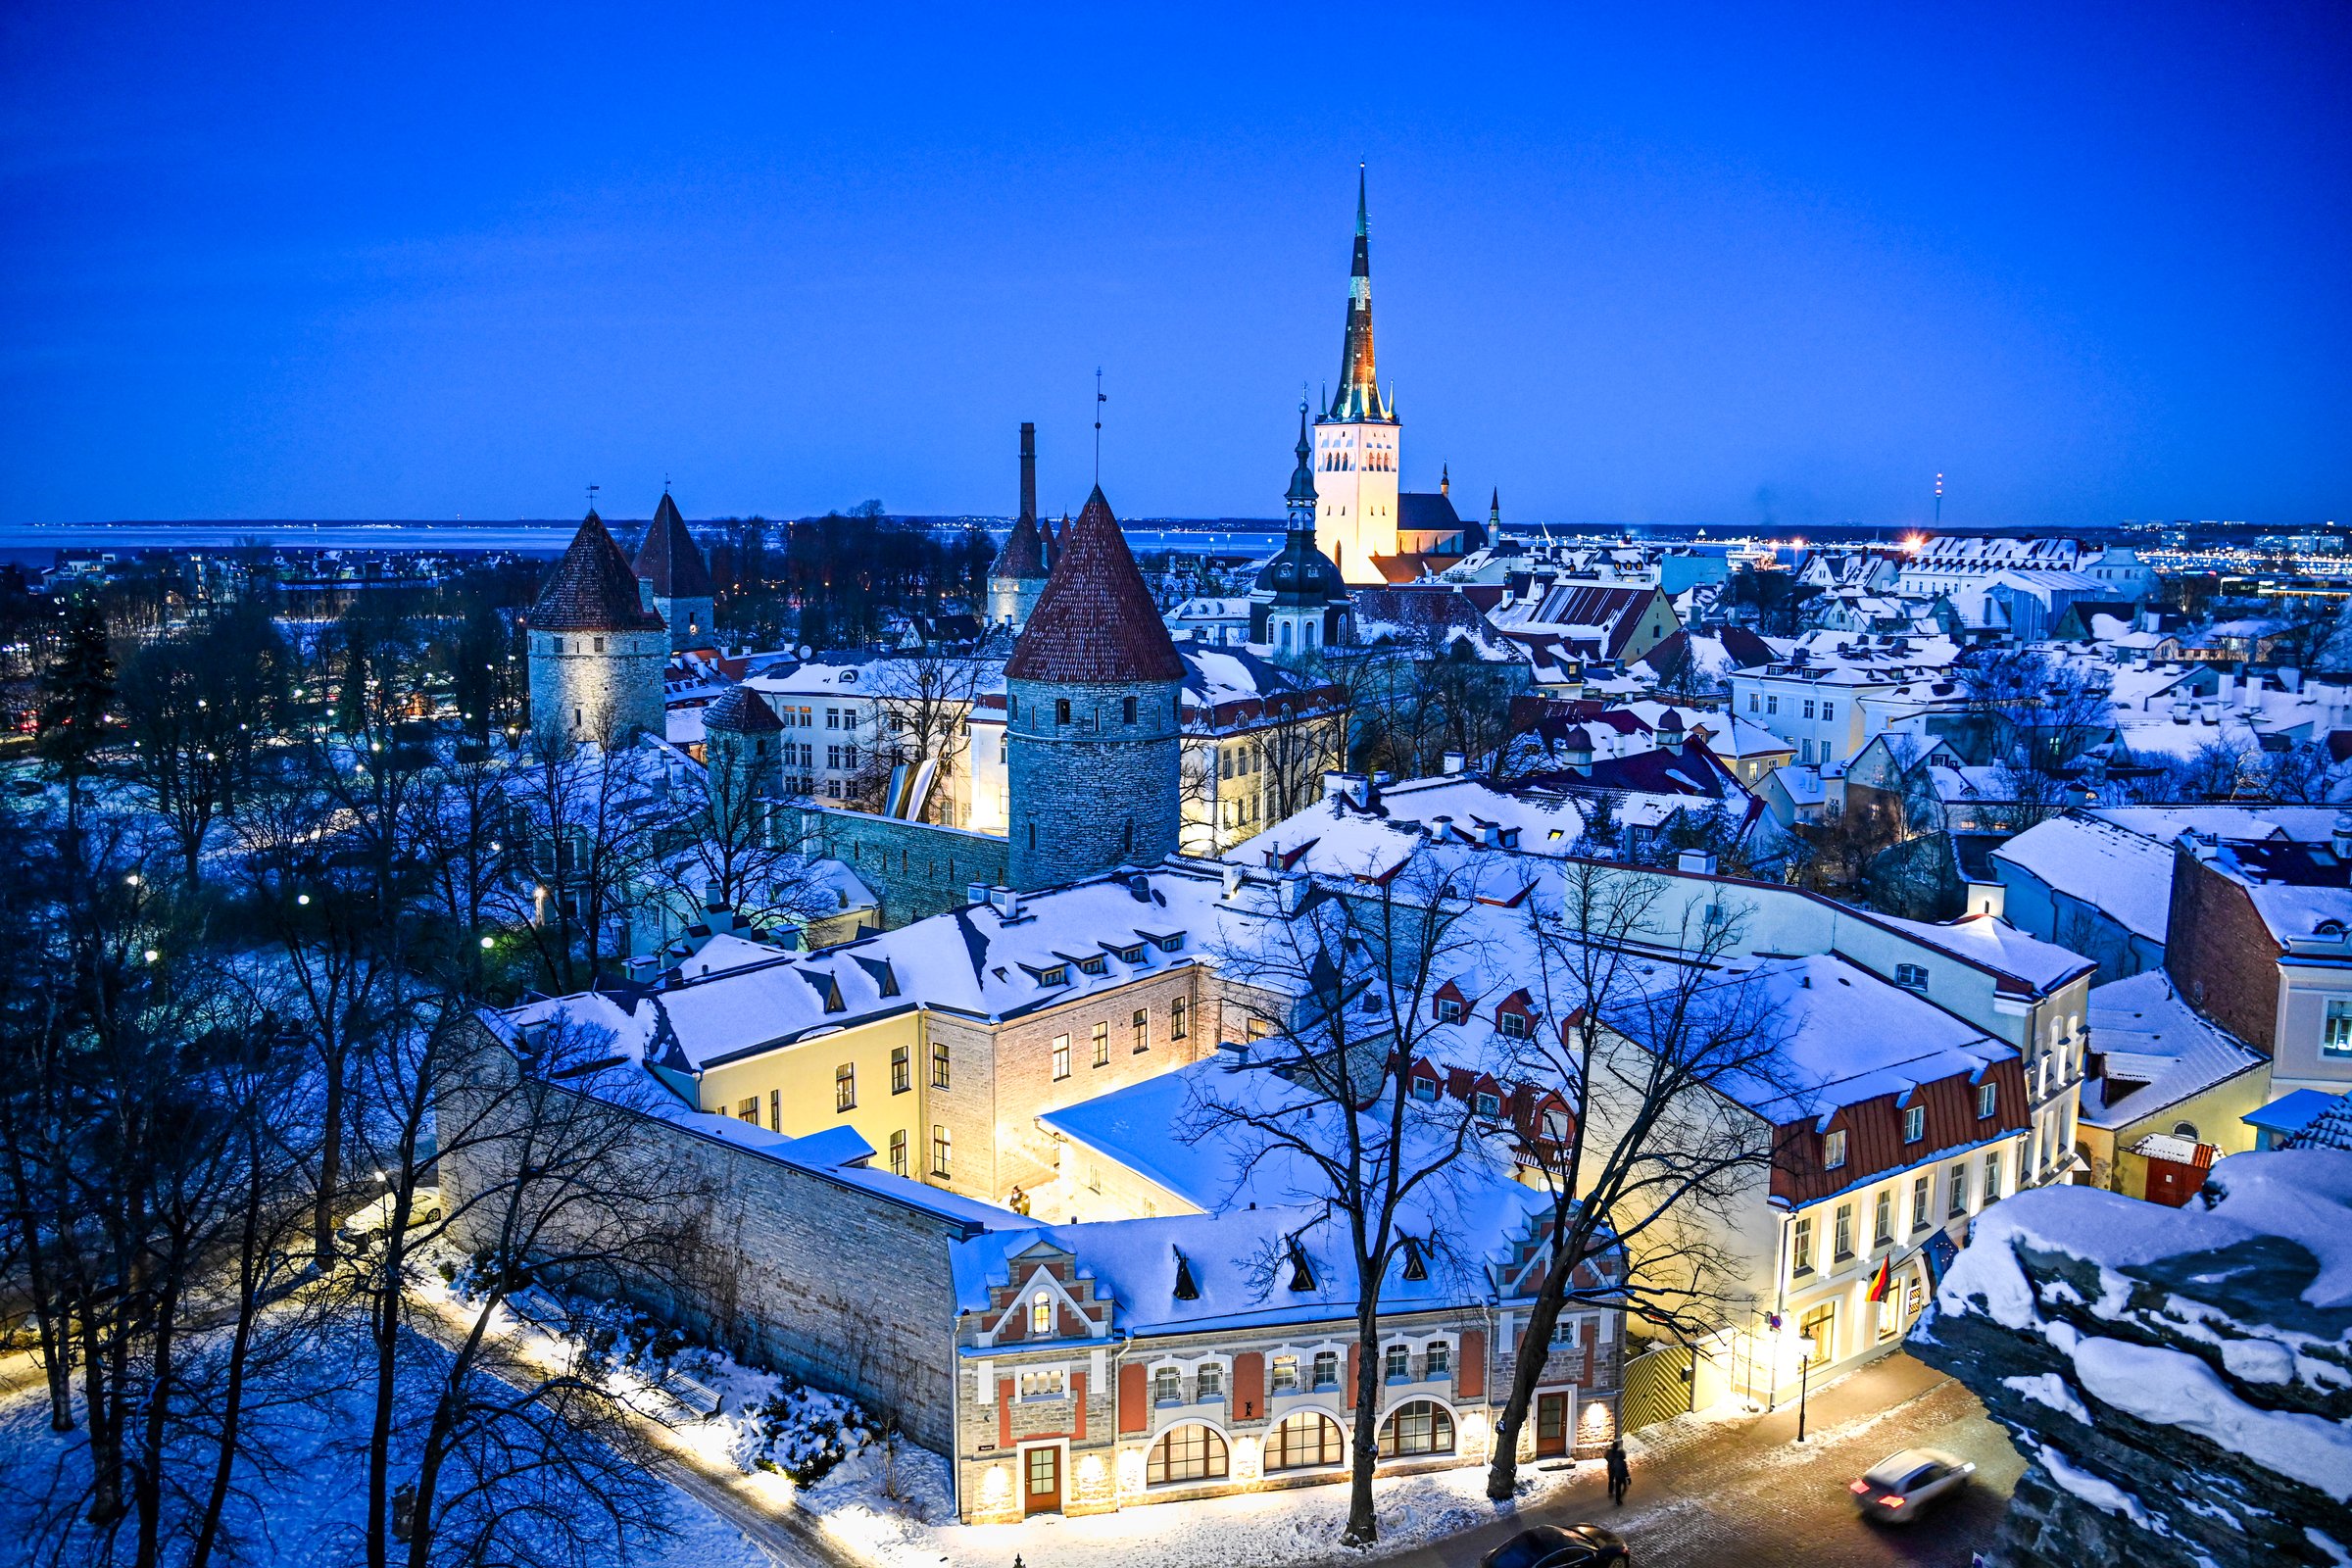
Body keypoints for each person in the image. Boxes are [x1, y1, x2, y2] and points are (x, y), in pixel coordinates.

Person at [1605, 1436, 1631, 1506]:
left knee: (1611, 1480)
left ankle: (1611, 1492)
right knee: (1619, 1485)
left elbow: (1606, 1456)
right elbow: (1624, 1469)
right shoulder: (1619, 1456)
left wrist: (1610, 1462)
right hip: (1617, 1472)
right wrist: (1628, 1477)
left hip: (1611, 1468)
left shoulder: (1609, 1452)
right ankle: (1618, 1499)